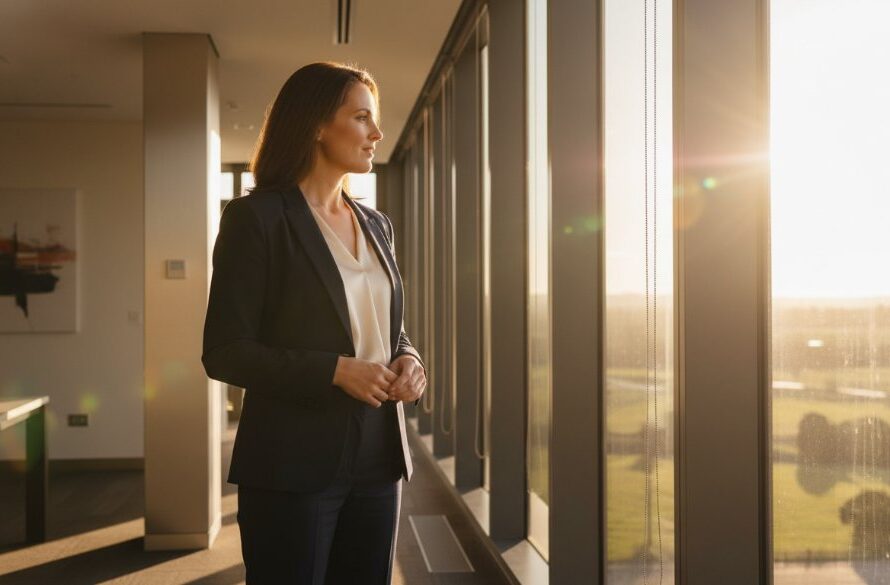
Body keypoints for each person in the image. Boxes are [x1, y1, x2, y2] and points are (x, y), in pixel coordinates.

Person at [201, 61, 427, 584]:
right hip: (292, 461)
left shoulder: (376, 224)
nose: (377, 133)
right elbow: (225, 351)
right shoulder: (256, 219)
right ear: (317, 125)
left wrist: (410, 359)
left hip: (378, 455)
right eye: (362, 118)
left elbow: (387, 329)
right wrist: (333, 370)